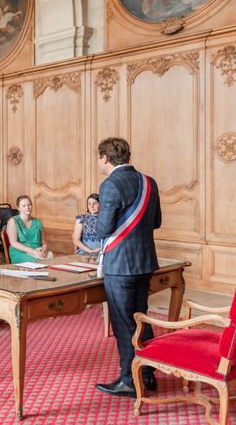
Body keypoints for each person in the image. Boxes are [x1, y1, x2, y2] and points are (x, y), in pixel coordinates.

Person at [94, 137, 161, 397]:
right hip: (145, 262)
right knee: (140, 317)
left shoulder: (110, 184)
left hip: (120, 264)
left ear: (105, 158)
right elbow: (156, 221)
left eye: (99, 158)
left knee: (123, 324)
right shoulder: (149, 182)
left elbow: (103, 229)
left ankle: (128, 380)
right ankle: (148, 373)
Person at [6, 195, 50, 263]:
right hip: (20, 253)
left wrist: (44, 249)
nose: (27, 207)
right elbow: (13, 243)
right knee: (41, 262)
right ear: (18, 208)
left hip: (37, 251)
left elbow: (44, 243)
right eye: (24, 206)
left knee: (52, 260)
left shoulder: (38, 222)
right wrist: (33, 251)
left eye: (29, 205)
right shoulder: (13, 221)